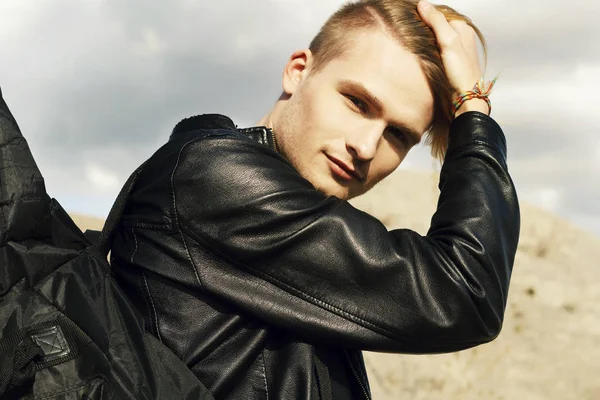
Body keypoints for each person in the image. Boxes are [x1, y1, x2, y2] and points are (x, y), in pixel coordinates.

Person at [110, 0, 520, 398]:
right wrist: (473, 107)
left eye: (398, 135)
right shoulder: (214, 176)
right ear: (297, 71)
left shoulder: (291, 215)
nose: (365, 146)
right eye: (357, 103)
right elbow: (464, 294)